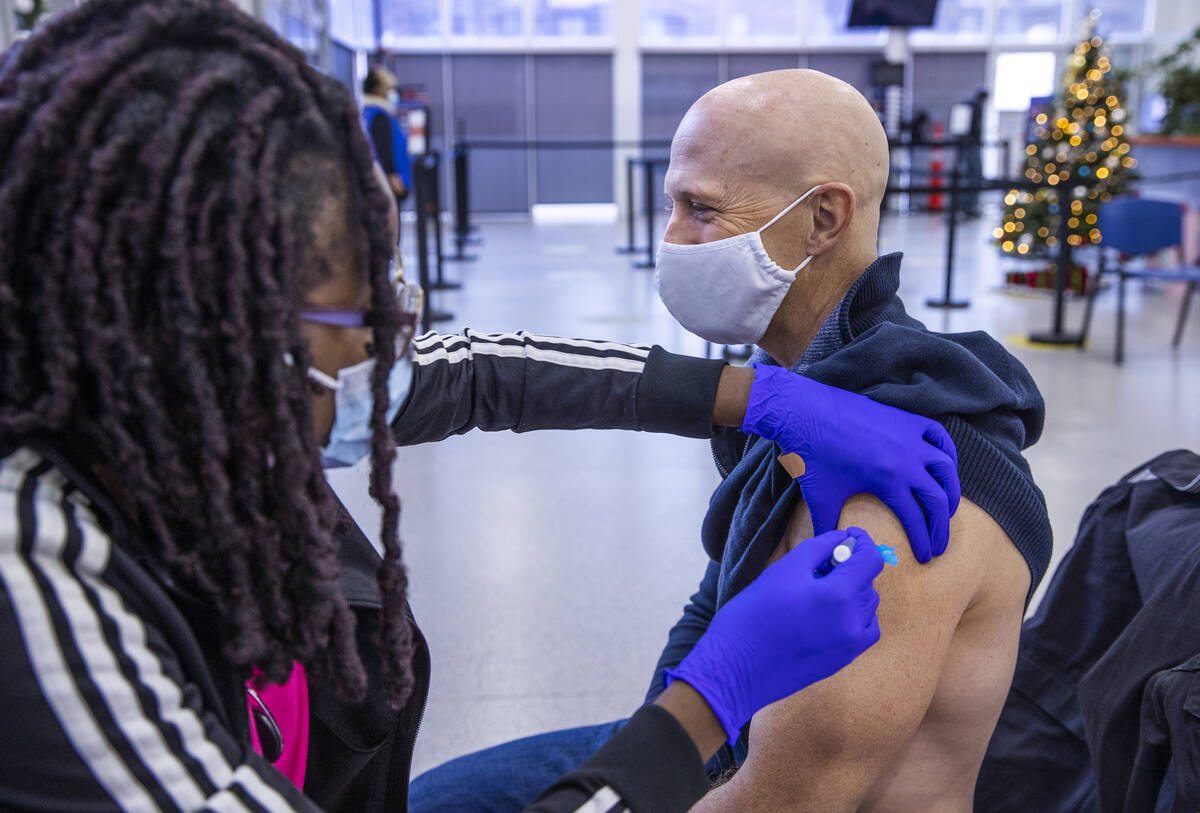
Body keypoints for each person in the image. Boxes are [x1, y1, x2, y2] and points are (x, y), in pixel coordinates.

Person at [0, 5, 963, 812]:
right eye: (360, 309)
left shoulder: (185, 410)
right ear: (216, 331)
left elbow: (474, 374)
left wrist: (757, 395)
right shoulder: (38, 580)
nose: (393, 341)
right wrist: (708, 703)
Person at [409, 69, 1052, 813]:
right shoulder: (801, 388)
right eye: (669, 205)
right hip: (726, 749)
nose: (672, 240)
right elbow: (716, 602)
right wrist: (668, 726)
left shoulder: (909, 482)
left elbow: (782, 800)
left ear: (823, 218)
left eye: (701, 210)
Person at [362, 67, 411, 241]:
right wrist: (392, 177)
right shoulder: (379, 116)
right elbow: (382, 150)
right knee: (390, 237)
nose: (393, 94)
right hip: (388, 185)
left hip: (383, 184)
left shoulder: (369, 113)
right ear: (378, 90)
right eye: (390, 89)